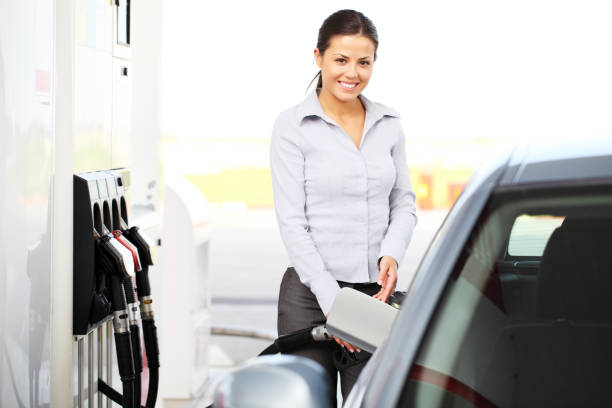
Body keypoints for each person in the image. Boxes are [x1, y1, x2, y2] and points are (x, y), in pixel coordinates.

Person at [270, 9, 417, 403]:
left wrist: (393, 253)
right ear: (318, 57)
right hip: (309, 296)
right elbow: (292, 223)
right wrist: (332, 301)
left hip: (374, 296)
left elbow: (404, 201)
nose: (352, 72)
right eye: (341, 60)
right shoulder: (292, 126)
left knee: (371, 401)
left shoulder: (389, 122)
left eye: (363, 62)